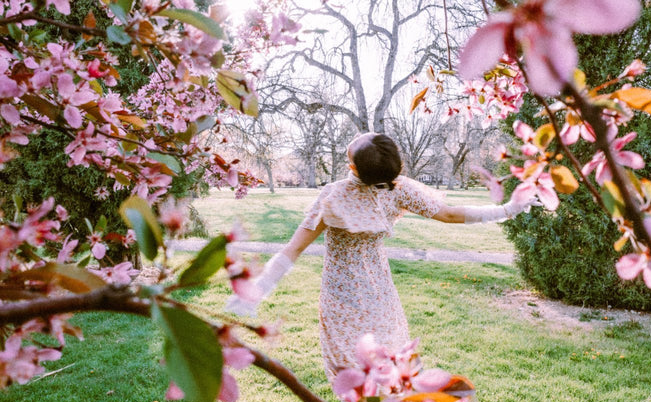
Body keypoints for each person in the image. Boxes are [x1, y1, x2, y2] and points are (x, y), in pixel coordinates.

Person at [226, 132, 535, 381]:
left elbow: (294, 247)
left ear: (354, 169)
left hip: (344, 295)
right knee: (386, 361)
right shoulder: (398, 190)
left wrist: (259, 288)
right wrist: (506, 210)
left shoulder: (334, 195)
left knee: (355, 369)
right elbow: (450, 214)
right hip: (374, 292)